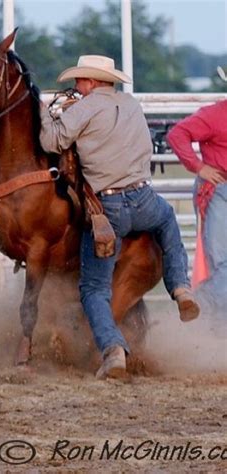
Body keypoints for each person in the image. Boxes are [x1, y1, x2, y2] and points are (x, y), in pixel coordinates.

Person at [39, 55, 200, 380]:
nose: (76, 86)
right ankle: (181, 288)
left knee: (94, 288)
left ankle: (112, 350)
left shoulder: (84, 108)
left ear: (93, 81)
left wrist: (45, 114)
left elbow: (51, 141)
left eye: (80, 80)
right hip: (143, 197)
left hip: (108, 207)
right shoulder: (131, 104)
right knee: (168, 218)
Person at [167, 68, 227, 322]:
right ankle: (215, 321)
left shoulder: (215, 115)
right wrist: (199, 167)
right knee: (221, 261)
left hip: (219, 188)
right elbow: (177, 134)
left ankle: (206, 315)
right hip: (219, 189)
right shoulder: (214, 115)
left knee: (221, 262)